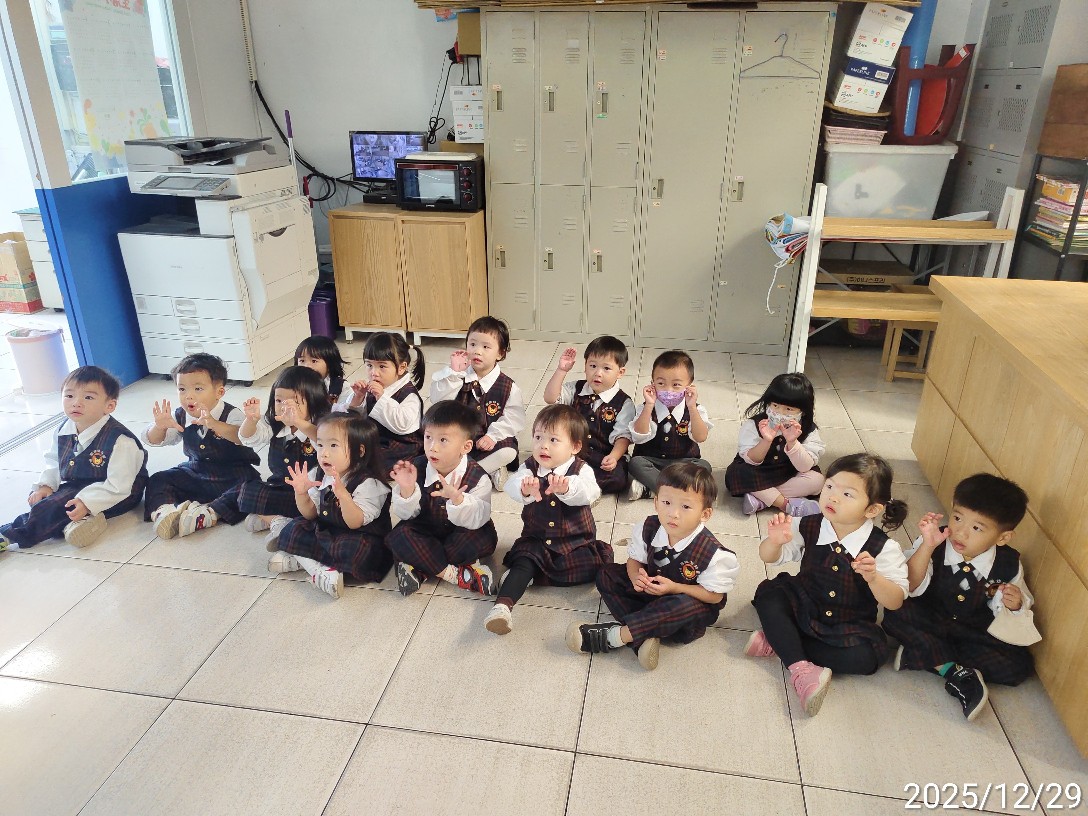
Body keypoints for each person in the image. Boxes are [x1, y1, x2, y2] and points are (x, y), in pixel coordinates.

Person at [747, 453, 909, 716]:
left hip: (847, 623)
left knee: (867, 658)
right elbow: (768, 557)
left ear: (872, 510)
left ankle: (781, 643)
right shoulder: (809, 525)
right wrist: (774, 542)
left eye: (847, 494)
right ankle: (801, 668)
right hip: (804, 603)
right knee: (770, 597)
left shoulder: (884, 548)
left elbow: (895, 601)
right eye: (830, 486)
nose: (832, 497)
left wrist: (874, 578)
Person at [882, 473, 1038, 721]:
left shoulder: (1008, 563)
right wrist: (927, 547)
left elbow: (1012, 605)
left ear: (1002, 537)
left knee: (1019, 665)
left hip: (971, 630)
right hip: (929, 616)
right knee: (895, 612)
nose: (961, 533)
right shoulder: (936, 540)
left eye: (976, 528)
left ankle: (923, 654)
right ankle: (953, 670)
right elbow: (910, 584)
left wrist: (1015, 603)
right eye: (957, 518)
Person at [567, 462, 738, 670]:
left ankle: (615, 636)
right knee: (606, 574)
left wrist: (675, 588)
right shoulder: (648, 527)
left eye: (685, 507)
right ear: (656, 502)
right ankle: (644, 636)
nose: (673, 513)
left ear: (705, 514)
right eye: (666, 502)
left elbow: (715, 597)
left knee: (682, 604)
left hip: (684, 614)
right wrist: (635, 577)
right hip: (651, 595)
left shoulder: (715, 555)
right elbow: (634, 560)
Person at [484, 404, 612, 635]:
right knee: (525, 559)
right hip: (538, 540)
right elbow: (512, 485)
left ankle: (530, 576)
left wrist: (567, 489)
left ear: (575, 447)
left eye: (553, 440)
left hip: (575, 543)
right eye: (538, 437)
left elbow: (591, 493)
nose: (543, 445)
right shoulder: (529, 468)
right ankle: (502, 607)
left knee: (595, 566)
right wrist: (523, 489)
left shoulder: (581, 470)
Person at [0, 366, 147, 550]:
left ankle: (7, 535)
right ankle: (79, 522)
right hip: (80, 483)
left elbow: (119, 486)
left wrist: (87, 501)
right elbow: (54, 460)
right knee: (47, 500)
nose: (76, 403)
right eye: (69, 396)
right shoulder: (64, 429)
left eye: (88, 397)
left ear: (109, 406)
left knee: (55, 507)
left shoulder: (121, 441)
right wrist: (47, 485)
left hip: (121, 492)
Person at [175, 366, 330, 539]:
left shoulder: (322, 426)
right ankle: (275, 520)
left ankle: (282, 522)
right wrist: (251, 421)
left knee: (320, 512)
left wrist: (299, 422)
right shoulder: (274, 423)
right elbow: (248, 438)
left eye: (294, 403)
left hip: (310, 495)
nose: (284, 408)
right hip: (280, 488)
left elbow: (323, 441)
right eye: (279, 401)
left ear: (314, 402)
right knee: (247, 490)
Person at [268, 411, 392, 599]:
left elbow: (355, 523)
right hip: (329, 531)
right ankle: (318, 568)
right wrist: (301, 493)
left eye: (333, 445)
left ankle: (306, 561)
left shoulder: (369, 483)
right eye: (320, 445)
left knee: (356, 551)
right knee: (295, 527)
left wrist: (343, 495)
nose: (324, 453)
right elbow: (310, 514)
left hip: (360, 536)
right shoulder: (319, 473)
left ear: (359, 451)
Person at [386, 400, 497, 597]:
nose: (433, 447)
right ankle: (456, 575)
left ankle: (421, 567)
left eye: (443, 440)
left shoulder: (478, 477)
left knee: (483, 540)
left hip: (462, 532)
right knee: (399, 536)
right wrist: (407, 490)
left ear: (466, 446)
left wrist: (458, 500)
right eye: (428, 437)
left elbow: (479, 518)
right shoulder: (417, 467)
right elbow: (406, 514)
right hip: (426, 528)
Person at [142, 354, 259, 539]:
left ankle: (207, 515)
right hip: (196, 472)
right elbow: (154, 440)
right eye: (182, 389)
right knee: (159, 478)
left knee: (253, 488)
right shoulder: (180, 415)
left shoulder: (231, 414)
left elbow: (242, 437)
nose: (188, 395)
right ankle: (164, 513)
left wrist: (214, 424)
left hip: (232, 475)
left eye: (198, 388)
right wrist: (160, 427)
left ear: (219, 392)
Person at [430, 316, 526, 489]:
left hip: (488, 442)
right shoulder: (455, 375)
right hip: (458, 439)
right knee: (432, 446)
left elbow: (514, 418)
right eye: (472, 344)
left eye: (486, 347)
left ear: (500, 353)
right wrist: (453, 375)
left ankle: (465, 475)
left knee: (508, 451)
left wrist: (493, 436)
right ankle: (485, 471)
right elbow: (437, 402)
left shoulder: (508, 387)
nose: (477, 351)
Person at [543, 336, 635, 495]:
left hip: (603, 455)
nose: (598, 373)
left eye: (606, 368)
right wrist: (561, 371)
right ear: (585, 365)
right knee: (546, 463)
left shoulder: (624, 403)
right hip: (573, 451)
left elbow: (623, 437)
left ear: (620, 372)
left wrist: (613, 457)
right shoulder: (575, 389)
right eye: (592, 366)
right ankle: (570, 485)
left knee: (618, 479)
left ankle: (576, 487)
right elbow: (550, 398)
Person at [724, 372, 824, 516]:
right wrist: (766, 440)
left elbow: (804, 467)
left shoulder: (808, 429)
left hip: (789, 472)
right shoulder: (754, 425)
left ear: (802, 412)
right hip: (757, 471)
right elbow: (752, 460)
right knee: (737, 474)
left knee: (817, 481)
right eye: (775, 405)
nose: (779, 412)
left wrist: (793, 442)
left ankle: (761, 498)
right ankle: (786, 504)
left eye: (788, 409)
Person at [627, 350, 712, 500]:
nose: (668, 390)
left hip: (683, 462)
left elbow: (701, 437)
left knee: (704, 466)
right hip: (651, 460)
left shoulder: (696, 409)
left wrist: (692, 407)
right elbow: (638, 436)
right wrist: (649, 405)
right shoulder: (645, 407)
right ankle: (680, 491)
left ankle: (653, 489)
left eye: (676, 385)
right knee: (635, 463)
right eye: (661, 383)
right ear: (652, 383)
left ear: (689, 385)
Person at [340, 332, 425, 472]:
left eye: (382, 366)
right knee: (345, 447)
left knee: (370, 465)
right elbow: (354, 419)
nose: (374, 373)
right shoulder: (372, 387)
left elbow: (402, 425)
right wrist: (358, 398)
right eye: (369, 365)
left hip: (401, 448)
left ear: (401, 367)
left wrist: (382, 397)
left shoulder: (409, 395)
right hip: (376, 441)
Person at [295, 335, 349, 405]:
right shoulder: (293, 385)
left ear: (330, 364)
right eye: (302, 361)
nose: (307, 366)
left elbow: (349, 409)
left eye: (314, 361)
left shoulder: (341, 387)